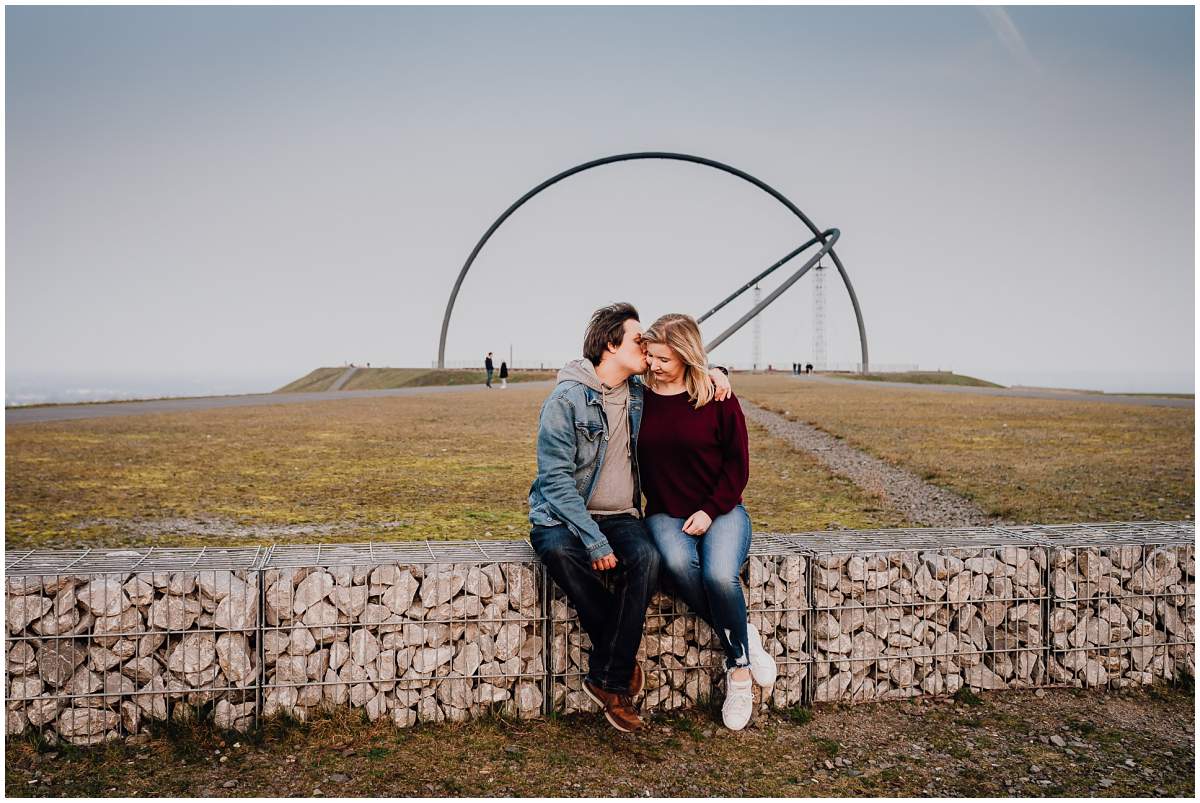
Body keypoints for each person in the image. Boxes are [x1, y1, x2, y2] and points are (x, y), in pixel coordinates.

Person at [527, 302, 731, 733]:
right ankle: (615, 674)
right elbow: (555, 480)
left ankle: (605, 672)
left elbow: (683, 372)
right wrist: (594, 541)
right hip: (563, 517)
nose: (647, 349)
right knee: (563, 553)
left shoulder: (640, 394)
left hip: (621, 515)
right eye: (639, 341)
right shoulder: (566, 399)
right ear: (609, 344)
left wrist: (718, 373)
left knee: (648, 560)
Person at [638, 313, 777, 731]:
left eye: (663, 358)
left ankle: (738, 673)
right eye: (651, 356)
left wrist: (711, 510)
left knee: (719, 576)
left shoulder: (718, 397)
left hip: (723, 509)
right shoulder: (638, 397)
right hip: (664, 512)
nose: (654, 365)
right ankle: (745, 637)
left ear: (685, 356)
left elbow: (738, 466)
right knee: (679, 566)